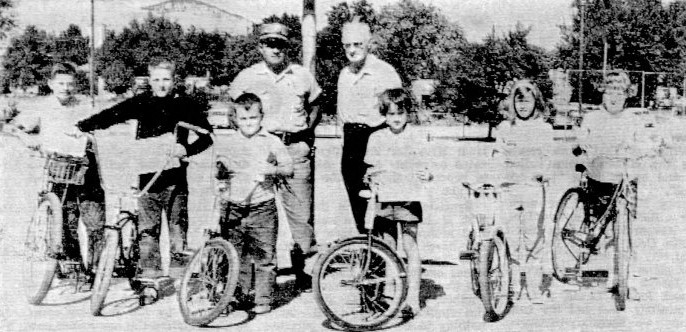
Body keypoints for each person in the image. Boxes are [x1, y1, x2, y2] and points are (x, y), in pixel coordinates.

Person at [76, 59, 213, 284]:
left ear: (174, 80)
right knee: (147, 230)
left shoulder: (185, 105)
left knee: (177, 228)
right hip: (146, 180)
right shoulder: (142, 102)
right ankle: (150, 278)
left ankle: (181, 280)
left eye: (166, 79)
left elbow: (207, 135)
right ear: (150, 81)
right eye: (156, 79)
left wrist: (186, 149)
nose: (161, 84)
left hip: (175, 181)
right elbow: (113, 114)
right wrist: (83, 126)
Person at [228, 22, 322, 291]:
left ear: (287, 46)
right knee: (254, 211)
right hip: (262, 151)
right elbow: (233, 112)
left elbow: (316, 105)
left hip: (295, 149)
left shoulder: (302, 74)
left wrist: (306, 133)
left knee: (301, 214)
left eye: (280, 43)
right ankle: (251, 274)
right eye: (269, 43)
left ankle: (304, 267)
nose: (275, 49)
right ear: (260, 47)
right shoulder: (248, 76)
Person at [573, 71, 666, 300]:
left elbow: (643, 141)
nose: (614, 96)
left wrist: (649, 148)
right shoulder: (593, 118)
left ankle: (628, 278)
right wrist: (586, 147)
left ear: (627, 95)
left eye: (620, 91)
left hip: (624, 178)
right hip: (599, 177)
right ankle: (612, 274)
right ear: (603, 93)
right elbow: (582, 138)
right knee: (601, 229)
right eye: (610, 90)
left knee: (628, 230)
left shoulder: (632, 119)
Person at [10, 62, 105, 271]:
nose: (65, 88)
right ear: (51, 84)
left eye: (70, 84)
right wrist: (27, 138)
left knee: (95, 220)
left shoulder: (84, 107)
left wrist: (88, 136)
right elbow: (16, 127)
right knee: (65, 218)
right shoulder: (42, 108)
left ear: (76, 85)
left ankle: (97, 271)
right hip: (61, 170)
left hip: (87, 167)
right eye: (61, 83)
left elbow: (98, 132)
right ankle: (71, 266)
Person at [215, 93, 293, 314]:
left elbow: (289, 168)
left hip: (263, 206)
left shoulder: (271, 141)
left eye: (253, 118)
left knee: (264, 254)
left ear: (262, 117)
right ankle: (235, 295)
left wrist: (273, 170)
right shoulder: (228, 141)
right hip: (233, 205)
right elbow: (219, 169)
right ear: (235, 119)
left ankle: (262, 298)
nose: (249, 124)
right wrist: (220, 173)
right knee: (233, 253)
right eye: (243, 119)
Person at [364, 88, 433, 318]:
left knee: (410, 244)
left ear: (407, 113)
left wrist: (427, 174)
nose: (396, 118)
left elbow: (426, 168)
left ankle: (412, 299)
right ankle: (389, 294)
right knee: (387, 246)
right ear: (384, 114)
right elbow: (370, 169)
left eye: (400, 113)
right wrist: (370, 177)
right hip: (385, 198)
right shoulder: (376, 137)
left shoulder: (417, 135)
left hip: (408, 198)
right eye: (391, 113)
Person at [491, 79, 555, 304]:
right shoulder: (505, 127)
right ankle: (514, 285)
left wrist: (545, 173)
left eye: (527, 101)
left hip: (532, 188)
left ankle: (534, 287)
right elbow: (498, 154)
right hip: (510, 188)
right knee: (511, 238)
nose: (523, 106)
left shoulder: (544, 128)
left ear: (536, 102)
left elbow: (548, 158)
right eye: (519, 101)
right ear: (513, 103)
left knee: (533, 237)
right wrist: (497, 176)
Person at [337, 19, 403, 235]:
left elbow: (398, 111)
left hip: (376, 137)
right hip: (351, 141)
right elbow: (341, 113)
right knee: (356, 196)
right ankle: (367, 249)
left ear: (369, 43)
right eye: (347, 45)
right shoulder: (344, 74)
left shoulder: (385, 72)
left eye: (357, 44)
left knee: (380, 198)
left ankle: (385, 254)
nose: (352, 50)